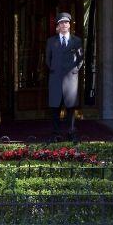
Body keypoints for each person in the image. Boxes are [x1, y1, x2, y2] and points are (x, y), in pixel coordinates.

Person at [46, 12, 84, 140]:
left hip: (71, 79)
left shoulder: (76, 41)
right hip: (55, 78)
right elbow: (48, 59)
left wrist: (75, 70)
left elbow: (80, 58)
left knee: (71, 108)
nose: (64, 25)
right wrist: (54, 69)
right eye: (61, 23)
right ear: (58, 25)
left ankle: (71, 132)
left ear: (69, 25)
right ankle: (56, 134)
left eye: (66, 22)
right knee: (55, 108)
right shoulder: (51, 41)